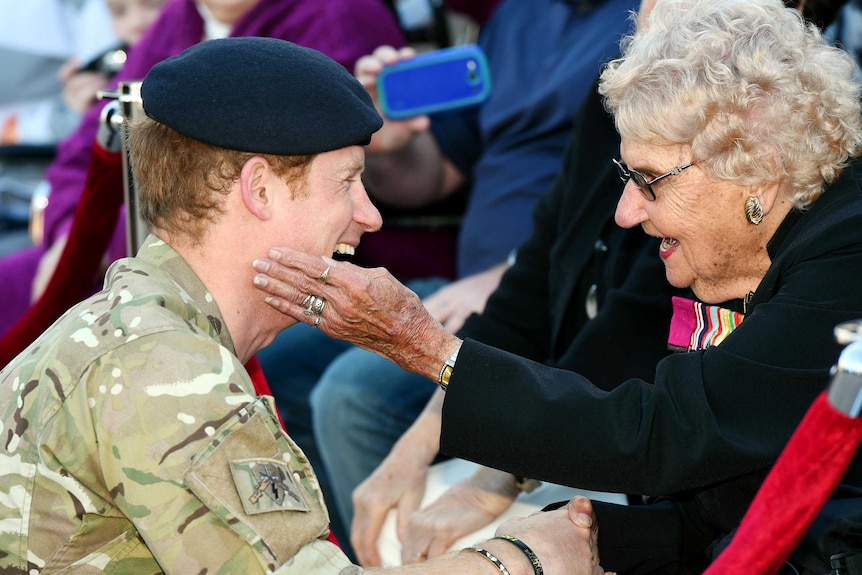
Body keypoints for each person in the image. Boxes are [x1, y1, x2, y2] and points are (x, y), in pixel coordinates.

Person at [250, 0, 862, 572]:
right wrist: (584, 536)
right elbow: (717, 503)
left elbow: (668, 432)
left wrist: (426, 348)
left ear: (755, 168)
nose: (625, 212)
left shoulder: (845, 251)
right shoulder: (732, 232)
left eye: (649, 181)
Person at [0, 37, 608, 575]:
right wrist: (525, 559)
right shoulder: (162, 367)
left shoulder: (148, 330)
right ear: (258, 189)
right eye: (346, 182)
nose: (370, 215)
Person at [256, 0, 641, 542]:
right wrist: (381, 140)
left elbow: (607, 244)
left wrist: (503, 273)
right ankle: (338, 546)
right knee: (279, 363)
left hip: (544, 290)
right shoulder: (517, 17)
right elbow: (430, 178)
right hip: (484, 286)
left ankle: (393, 547)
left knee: (352, 395)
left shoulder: (646, 32)